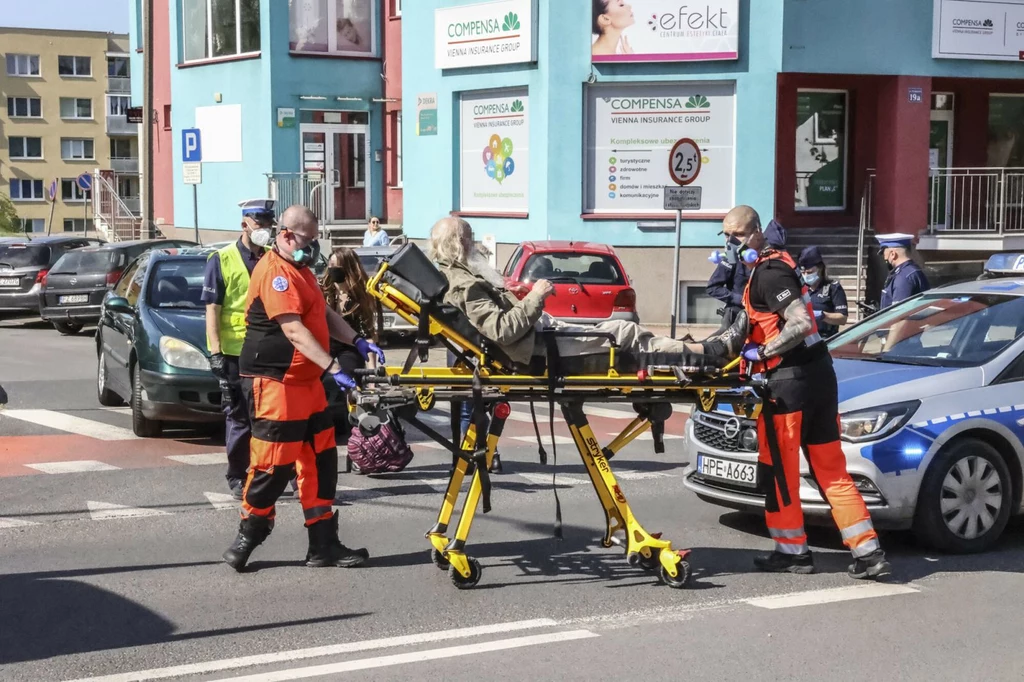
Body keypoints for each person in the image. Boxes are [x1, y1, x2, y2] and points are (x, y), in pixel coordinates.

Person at [712, 205, 890, 580]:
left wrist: (763, 351)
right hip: (818, 378)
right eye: (727, 236)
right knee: (831, 471)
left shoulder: (769, 272)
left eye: (738, 235)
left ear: (757, 233)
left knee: (781, 471)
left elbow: (802, 322)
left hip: (789, 387)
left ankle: (793, 552)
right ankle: (868, 552)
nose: (731, 243)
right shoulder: (778, 265)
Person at [222, 205, 384, 572]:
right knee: (273, 465)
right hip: (275, 381)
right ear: (287, 235)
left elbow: (323, 314)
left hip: (305, 382)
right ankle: (249, 534)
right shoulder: (276, 273)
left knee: (320, 458)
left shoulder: (302, 270)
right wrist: (333, 367)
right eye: (309, 240)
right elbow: (293, 330)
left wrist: (357, 340)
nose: (314, 248)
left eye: (316, 240)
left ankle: (323, 544)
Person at [427, 216, 740, 366]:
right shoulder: (465, 284)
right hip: (537, 346)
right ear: (462, 245)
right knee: (624, 332)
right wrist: (536, 295)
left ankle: (705, 348)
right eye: (471, 238)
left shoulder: (455, 276)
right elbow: (502, 330)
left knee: (622, 330)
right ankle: (710, 351)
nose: (476, 245)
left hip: (540, 335)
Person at [202, 198, 275, 500]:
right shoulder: (221, 258)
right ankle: (237, 474)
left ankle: (267, 472)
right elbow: (212, 310)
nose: (266, 229)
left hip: (268, 351)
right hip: (234, 353)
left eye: (269, 222)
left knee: (270, 417)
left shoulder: (273, 257)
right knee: (239, 417)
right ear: (244, 223)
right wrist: (215, 352)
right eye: (260, 222)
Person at [321, 247, 377, 438]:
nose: (332, 270)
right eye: (330, 266)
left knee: (350, 376)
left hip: (350, 346)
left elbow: (367, 333)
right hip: (324, 343)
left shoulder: (360, 295)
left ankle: (351, 429)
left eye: (337, 266)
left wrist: (372, 377)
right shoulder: (323, 289)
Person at [707, 220, 787, 333]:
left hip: (765, 319)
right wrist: (741, 299)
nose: (769, 252)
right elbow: (713, 288)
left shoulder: (775, 261)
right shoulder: (734, 257)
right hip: (738, 316)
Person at [797, 246, 848, 340]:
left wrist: (823, 315)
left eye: (809, 272)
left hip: (826, 338)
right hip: (804, 339)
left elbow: (843, 318)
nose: (806, 276)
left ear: (820, 268)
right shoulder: (799, 289)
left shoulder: (833, 288)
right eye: (803, 273)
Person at [878, 233, 930, 309]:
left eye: (885, 255)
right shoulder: (912, 271)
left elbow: (898, 314)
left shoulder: (903, 278)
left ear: (893, 254)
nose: (885, 259)